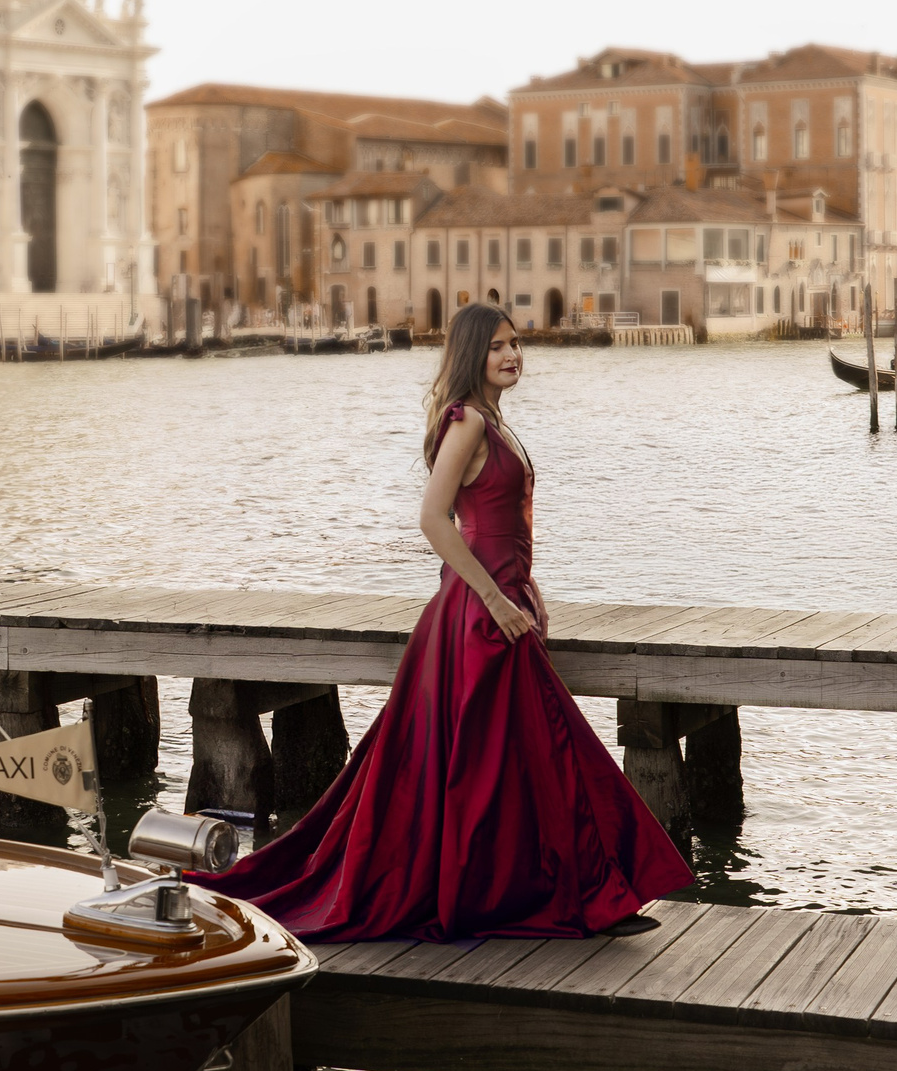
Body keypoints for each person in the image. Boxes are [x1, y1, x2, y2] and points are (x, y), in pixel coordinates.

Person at [194, 302, 692, 941]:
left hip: (500, 607)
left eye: (516, 344)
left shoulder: (495, 420)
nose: (513, 356)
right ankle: (582, 897)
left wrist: (528, 587)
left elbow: (506, 524)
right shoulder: (466, 424)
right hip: (477, 621)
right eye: (497, 348)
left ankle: (572, 894)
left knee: (520, 762)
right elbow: (435, 520)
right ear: (471, 356)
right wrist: (494, 599)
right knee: (527, 758)